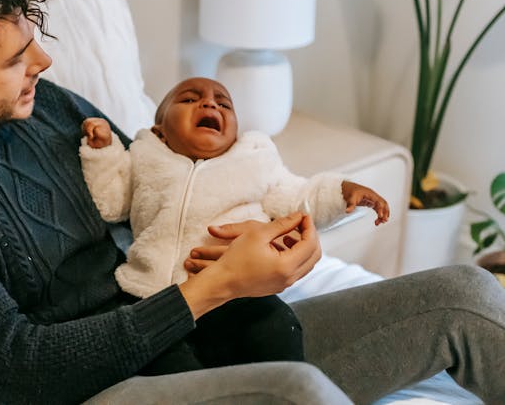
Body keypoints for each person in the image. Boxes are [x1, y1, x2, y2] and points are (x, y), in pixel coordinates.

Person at [0, 0, 505, 405]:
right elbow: (17, 374)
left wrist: (244, 238)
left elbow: (153, 186)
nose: (44, 65)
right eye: (15, 60)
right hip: (84, 388)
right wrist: (213, 291)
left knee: (462, 297)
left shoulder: (46, 106)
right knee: (294, 393)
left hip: (172, 331)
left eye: (33, 44)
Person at [79, 77, 388, 373]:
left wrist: (342, 191)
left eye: (224, 105)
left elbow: (298, 196)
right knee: (166, 364)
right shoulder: (144, 157)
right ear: (159, 130)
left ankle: (287, 388)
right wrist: (103, 151)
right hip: (154, 295)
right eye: (189, 99)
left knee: (278, 327)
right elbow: (112, 202)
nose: (210, 105)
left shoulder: (254, 161)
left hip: (239, 295)